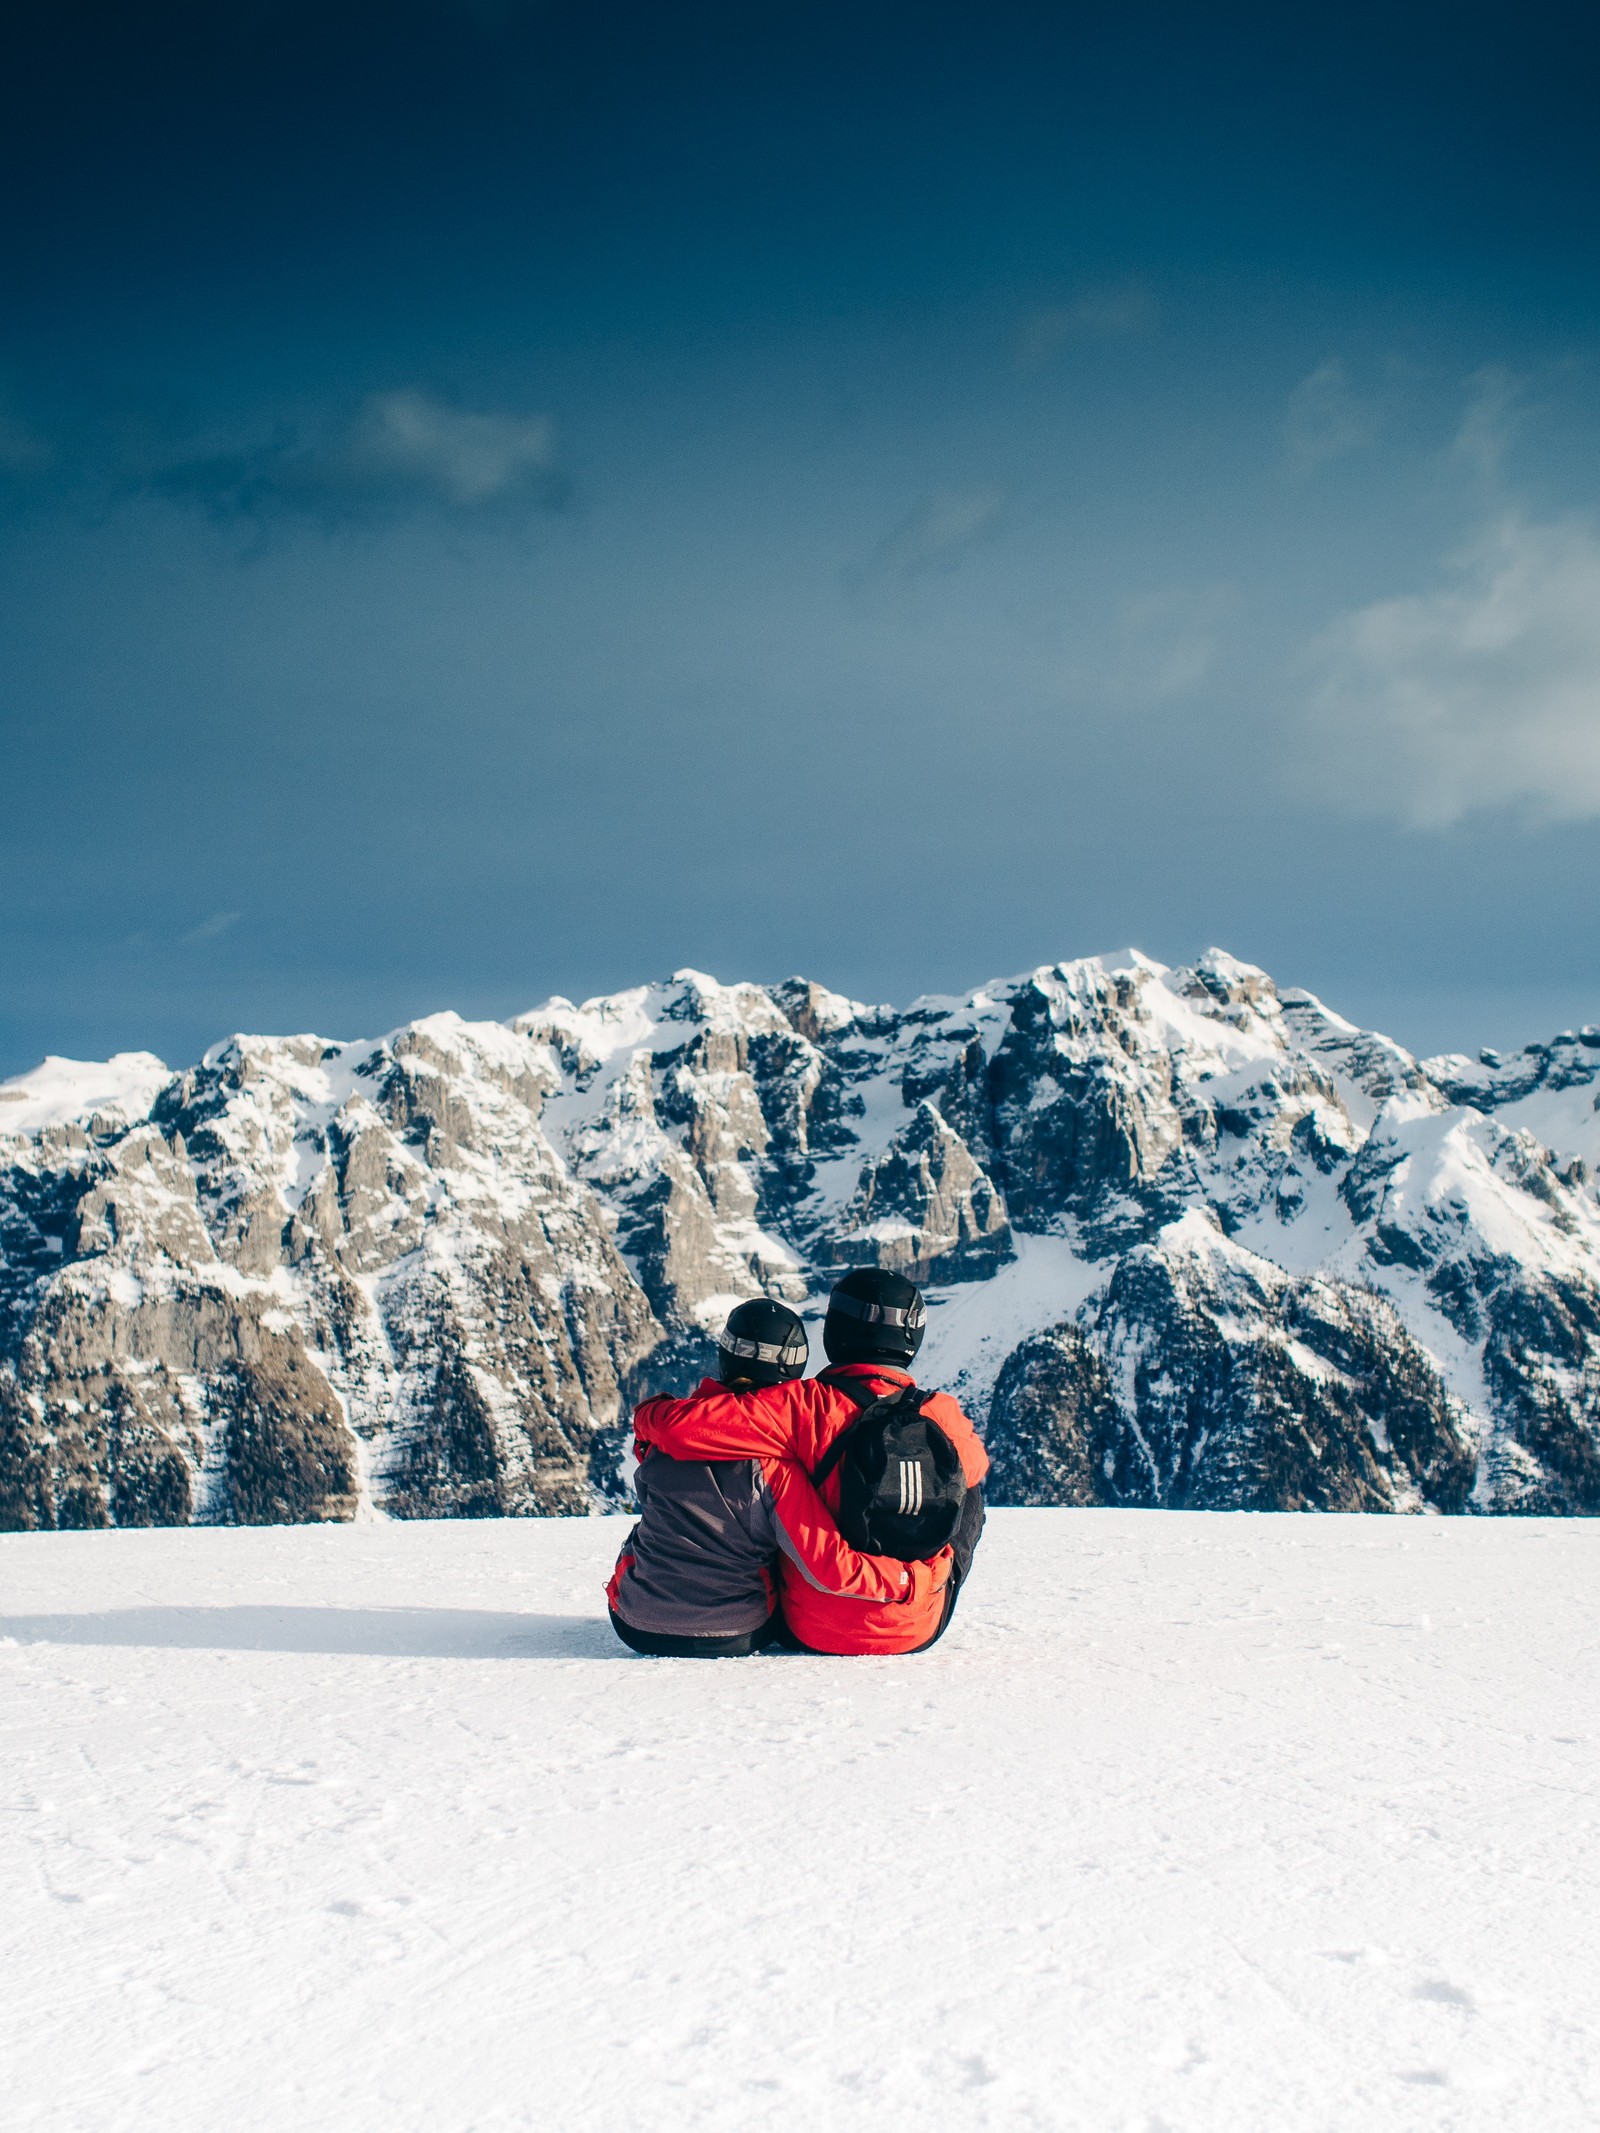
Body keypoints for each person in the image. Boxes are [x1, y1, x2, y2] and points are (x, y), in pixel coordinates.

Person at [630, 1269, 987, 1656]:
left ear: (834, 1331)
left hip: (813, 1627)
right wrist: (919, 1576)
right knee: (968, 1490)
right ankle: (918, 1599)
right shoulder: (942, 1412)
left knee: (775, 1484)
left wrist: (652, 1410)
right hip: (918, 1622)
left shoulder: (800, 1406)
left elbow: (682, 1429)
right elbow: (977, 1467)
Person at [605, 1297, 918, 1656]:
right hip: (735, 1632)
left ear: (726, 1354)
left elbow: (648, 1490)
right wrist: (907, 1580)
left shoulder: (665, 1438)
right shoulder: (778, 1467)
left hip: (634, 1625)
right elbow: (826, 1564)